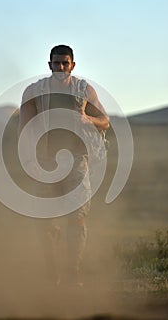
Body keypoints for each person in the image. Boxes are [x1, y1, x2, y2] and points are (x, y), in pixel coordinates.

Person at [18, 45, 109, 286]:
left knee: (77, 219)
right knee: (46, 221)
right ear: (49, 65)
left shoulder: (83, 90)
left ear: (72, 65)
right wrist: (27, 160)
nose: (60, 68)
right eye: (56, 63)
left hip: (77, 160)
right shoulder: (35, 91)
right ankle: (52, 273)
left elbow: (105, 121)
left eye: (64, 63)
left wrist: (87, 118)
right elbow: (24, 129)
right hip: (44, 162)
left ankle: (73, 274)